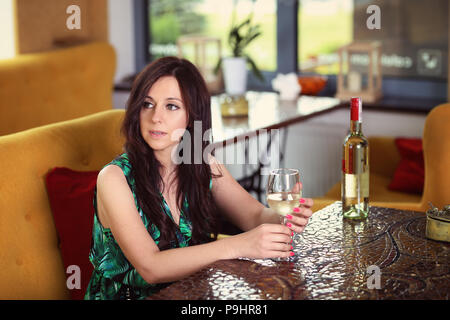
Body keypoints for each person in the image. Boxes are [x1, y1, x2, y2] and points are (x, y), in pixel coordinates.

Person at [84, 57, 314, 300]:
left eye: (171, 106)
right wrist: (240, 245)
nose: (155, 117)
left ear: (192, 116)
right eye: (147, 104)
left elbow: (255, 216)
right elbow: (151, 268)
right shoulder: (114, 178)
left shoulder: (202, 163)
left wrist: (284, 216)